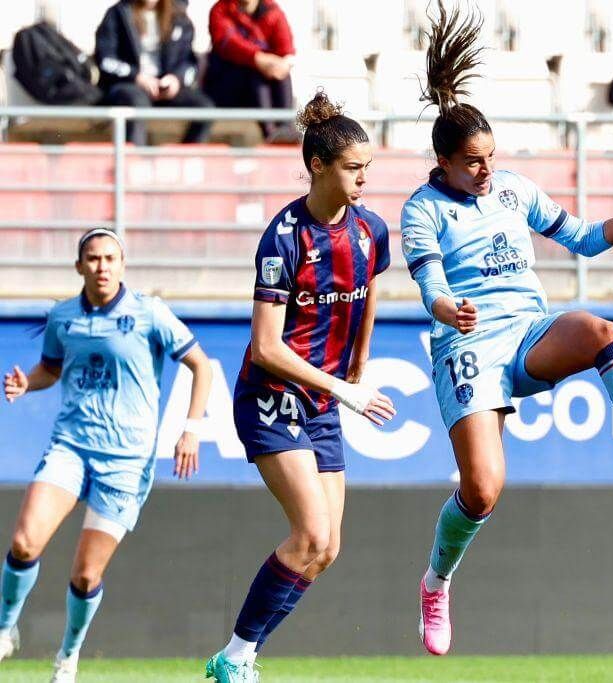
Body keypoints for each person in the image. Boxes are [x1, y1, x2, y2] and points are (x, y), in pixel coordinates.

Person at [401, 4, 613, 657]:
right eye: (472, 162)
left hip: (527, 331)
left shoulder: (514, 190)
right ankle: (436, 580)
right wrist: (446, 311)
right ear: (443, 160)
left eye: (491, 157)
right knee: (483, 489)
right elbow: (430, 284)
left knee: (600, 327)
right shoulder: (422, 210)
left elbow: (583, 240)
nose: (486, 171)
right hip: (466, 344)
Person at [205, 92, 395, 683]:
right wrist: (346, 392)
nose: (364, 178)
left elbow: (366, 295)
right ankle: (234, 658)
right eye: (353, 167)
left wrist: (358, 369)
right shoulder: (283, 238)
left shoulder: (371, 230)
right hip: (270, 400)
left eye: (368, 167)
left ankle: (241, 656)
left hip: (323, 402)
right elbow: (266, 346)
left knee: (327, 548)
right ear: (318, 164)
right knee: (309, 532)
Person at [0, 229, 211, 682]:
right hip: (71, 447)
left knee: (84, 575)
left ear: (122, 264)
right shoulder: (63, 317)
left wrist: (191, 429)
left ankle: (68, 657)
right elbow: (51, 369)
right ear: (79, 266)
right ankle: (4, 630)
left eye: (110, 258)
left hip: (126, 461)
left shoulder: (149, 313)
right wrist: (27, 383)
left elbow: (201, 365)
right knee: (23, 542)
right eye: (93, 258)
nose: (102, 266)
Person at [95, 0, 215, 146]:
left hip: (164, 86)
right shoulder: (118, 13)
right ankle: (135, 163)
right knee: (136, 104)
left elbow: (189, 62)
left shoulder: (179, 17)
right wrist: (136, 77)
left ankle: (185, 158)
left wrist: (176, 79)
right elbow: (105, 59)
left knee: (205, 108)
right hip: (129, 84)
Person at [204, 0, 298, 141]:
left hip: (264, 85)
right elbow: (228, 43)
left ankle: (285, 129)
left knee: (282, 74)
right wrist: (258, 59)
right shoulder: (221, 10)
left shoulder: (272, 11)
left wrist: (281, 64)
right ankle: (270, 133)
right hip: (227, 86)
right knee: (256, 74)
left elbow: (286, 49)